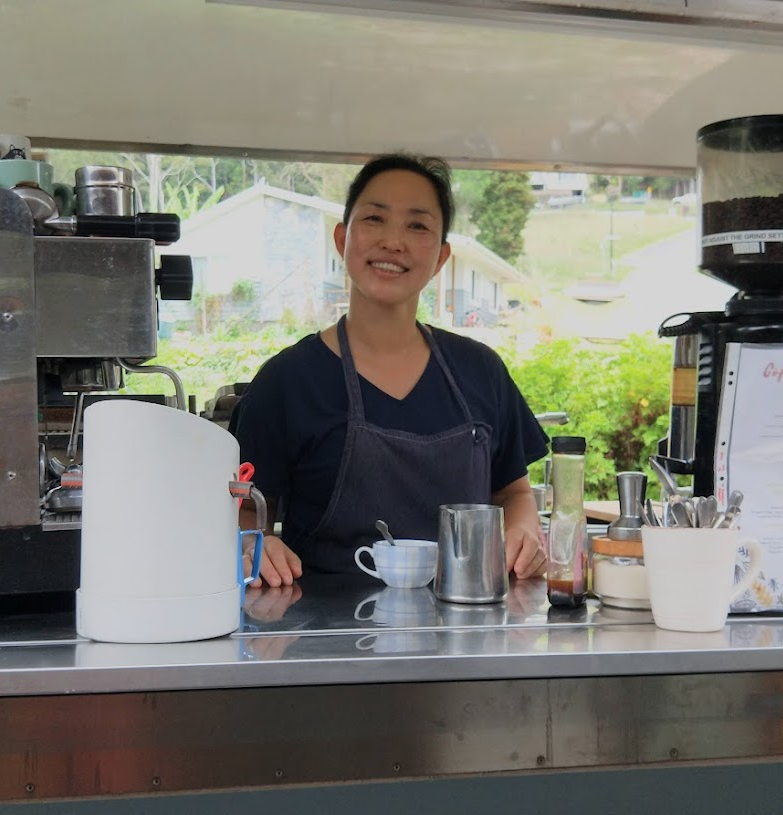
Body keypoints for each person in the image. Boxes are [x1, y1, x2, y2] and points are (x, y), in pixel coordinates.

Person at [230, 153, 548, 587]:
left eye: (417, 225)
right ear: (341, 240)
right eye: (375, 219)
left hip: (466, 635)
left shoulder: (480, 371)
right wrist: (251, 544)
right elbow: (245, 511)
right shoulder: (287, 381)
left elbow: (514, 493)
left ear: (441, 257)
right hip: (325, 638)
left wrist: (522, 529)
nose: (393, 241)